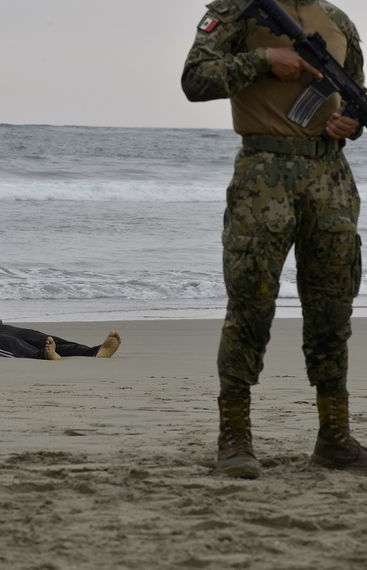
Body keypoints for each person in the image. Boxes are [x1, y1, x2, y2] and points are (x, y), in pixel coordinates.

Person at [182, 0, 367, 478]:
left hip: (330, 178)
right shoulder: (239, 12)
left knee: (332, 311)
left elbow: (354, 97)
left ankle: (334, 439)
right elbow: (195, 80)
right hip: (263, 173)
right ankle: (235, 439)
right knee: (251, 305)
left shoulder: (339, 22)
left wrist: (350, 124)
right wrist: (264, 61)